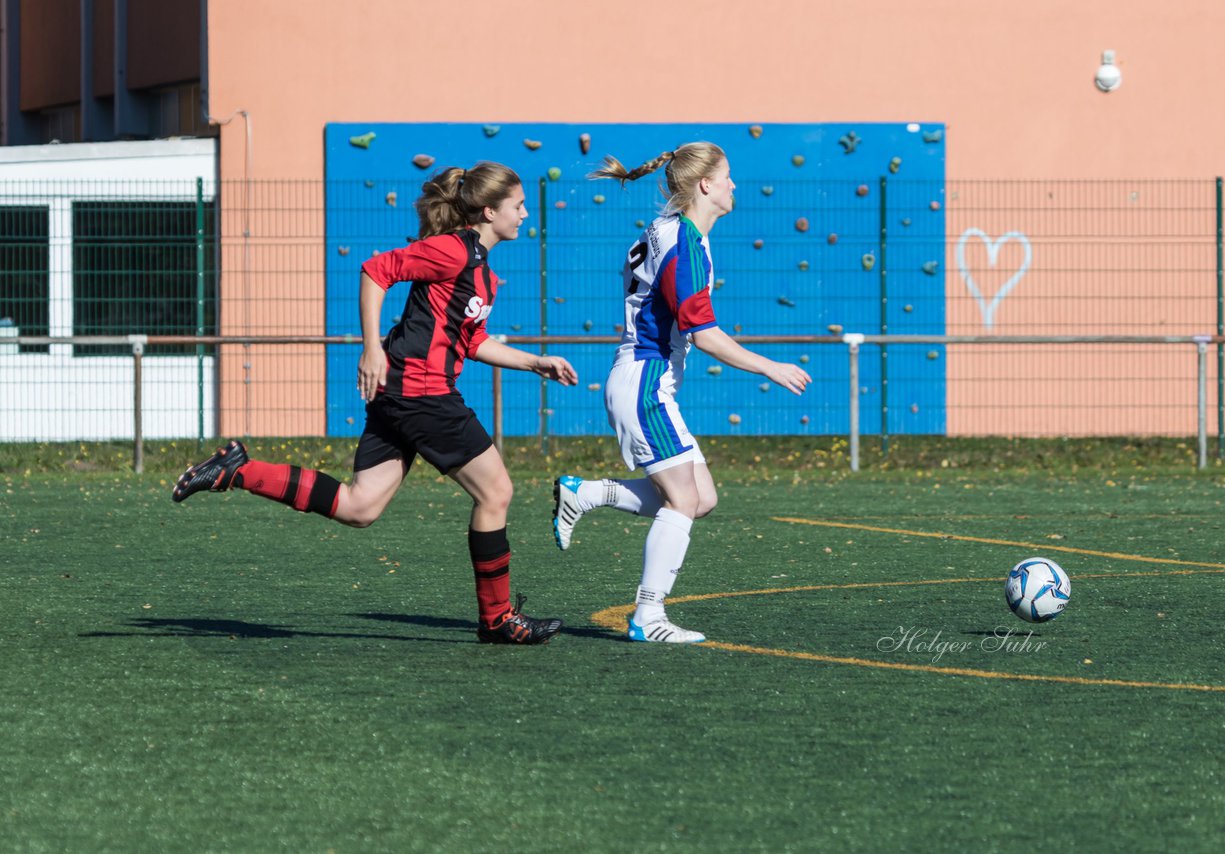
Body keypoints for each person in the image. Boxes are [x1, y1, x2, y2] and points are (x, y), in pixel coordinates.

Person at [174, 161, 577, 645]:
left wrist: (536, 362)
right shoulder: (451, 251)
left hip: (401, 397)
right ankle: (497, 620)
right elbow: (376, 271)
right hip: (422, 395)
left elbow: (471, 342)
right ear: (490, 211)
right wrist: (370, 347)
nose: (525, 215)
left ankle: (237, 469)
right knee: (496, 493)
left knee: (359, 507)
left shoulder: (482, 274)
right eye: (518, 206)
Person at [553, 143, 811, 643]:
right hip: (645, 381)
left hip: (646, 379)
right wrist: (769, 367)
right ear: (706, 185)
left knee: (702, 499)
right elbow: (702, 332)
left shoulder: (668, 232)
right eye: (729, 176)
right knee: (684, 498)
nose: (735, 185)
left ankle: (587, 493)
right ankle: (648, 616)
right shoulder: (685, 242)